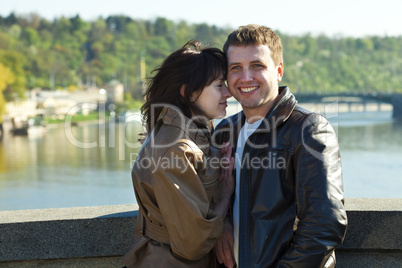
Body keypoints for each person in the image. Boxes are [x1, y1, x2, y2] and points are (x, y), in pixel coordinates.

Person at [213, 25, 348, 268]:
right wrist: (222, 222)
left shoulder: (308, 129)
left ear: (279, 71)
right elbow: (208, 197)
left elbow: (324, 225)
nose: (245, 78)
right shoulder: (224, 131)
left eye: (257, 66)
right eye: (236, 68)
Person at [121, 40, 234, 268]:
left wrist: (213, 160)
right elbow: (194, 243)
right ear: (188, 93)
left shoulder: (182, 131)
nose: (229, 93)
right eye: (219, 85)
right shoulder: (177, 147)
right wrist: (225, 196)